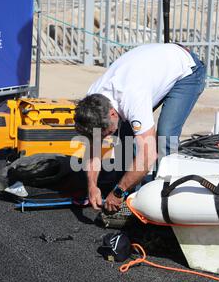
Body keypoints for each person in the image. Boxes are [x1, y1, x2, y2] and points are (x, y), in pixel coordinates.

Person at [74, 43, 206, 213]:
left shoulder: (132, 99)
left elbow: (148, 155)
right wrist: (92, 186)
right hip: (153, 70)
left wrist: (118, 191)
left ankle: (165, 198)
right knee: (126, 138)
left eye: (106, 133)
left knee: (165, 136)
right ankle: (129, 195)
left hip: (187, 70)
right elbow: (94, 147)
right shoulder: (93, 100)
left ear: (113, 114)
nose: (106, 138)